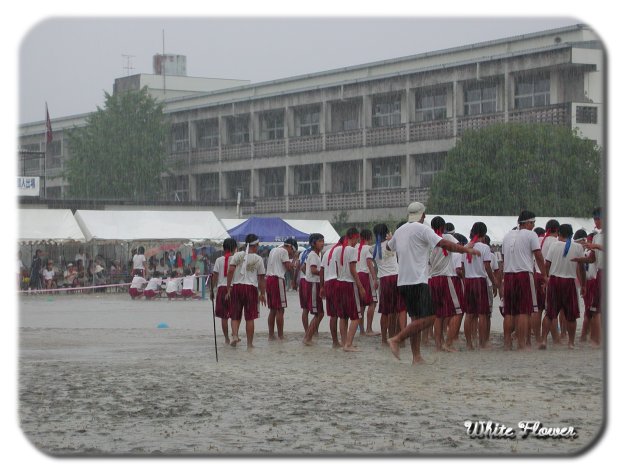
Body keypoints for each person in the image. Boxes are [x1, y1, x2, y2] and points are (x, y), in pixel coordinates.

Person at [386, 202, 480, 364]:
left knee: (416, 319)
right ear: (422, 215)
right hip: (418, 280)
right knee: (430, 318)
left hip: (403, 281)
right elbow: (444, 244)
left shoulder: (400, 231)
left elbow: (389, 247)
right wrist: (466, 249)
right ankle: (397, 339)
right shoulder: (423, 229)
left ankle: (416, 357)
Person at [501, 210, 547, 351]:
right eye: (532, 223)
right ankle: (522, 344)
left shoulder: (507, 236)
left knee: (509, 311)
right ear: (527, 223)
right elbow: (538, 256)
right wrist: (545, 274)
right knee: (523, 311)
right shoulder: (531, 235)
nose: (533, 226)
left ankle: (508, 343)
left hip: (508, 274)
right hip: (523, 275)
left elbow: (503, 258)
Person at [540, 224, 586, 349]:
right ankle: (571, 343)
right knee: (571, 315)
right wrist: (583, 285)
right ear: (571, 234)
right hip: (569, 282)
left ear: (559, 233)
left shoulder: (554, 245)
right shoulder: (577, 247)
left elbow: (547, 264)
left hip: (554, 281)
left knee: (550, 313)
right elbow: (581, 269)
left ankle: (543, 340)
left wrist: (547, 278)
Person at [427, 216, 465, 352]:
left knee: (439, 314)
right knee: (458, 311)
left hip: (433, 279)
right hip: (446, 277)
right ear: (443, 227)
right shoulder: (447, 238)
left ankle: (438, 344)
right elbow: (459, 247)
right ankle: (448, 343)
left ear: (432, 227)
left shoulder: (428, 240)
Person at [461, 222, 499, 350]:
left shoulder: (465, 247)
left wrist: (466, 279)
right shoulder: (484, 248)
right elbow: (487, 266)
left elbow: (462, 268)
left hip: (469, 281)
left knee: (469, 314)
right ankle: (482, 343)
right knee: (483, 314)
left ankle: (469, 344)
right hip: (480, 281)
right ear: (484, 234)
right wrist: (494, 282)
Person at [225, 234, 267, 349]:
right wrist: (262, 293)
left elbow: (230, 271)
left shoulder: (237, 255)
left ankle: (234, 336)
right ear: (256, 245)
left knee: (235, 315)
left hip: (237, 287)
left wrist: (228, 287)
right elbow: (261, 278)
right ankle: (249, 344)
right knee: (250, 318)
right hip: (250, 288)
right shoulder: (258, 259)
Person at [333, 227, 366, 352]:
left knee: (343, 316)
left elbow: (337, 269)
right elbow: (353, 269)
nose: (358, 241)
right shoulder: (352, 250)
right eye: (357, 238)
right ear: (354, 237)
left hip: (339, 283)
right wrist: (360, 286)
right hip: (349, 284)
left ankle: (344, 342)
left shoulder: (337, 250)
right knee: (356, 316)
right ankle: (349, 344)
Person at [373, 224, 406, 345]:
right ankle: (399, 336)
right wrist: (392, 237)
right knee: (400, 309)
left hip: (383, 280)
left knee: (386, 311)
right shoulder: (392, 244)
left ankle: (384, 339)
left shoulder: (374, 249)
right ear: (386, 232)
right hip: (396, 278)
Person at [532, 219, 560, 344]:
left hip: (537, 274)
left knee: (537, 309)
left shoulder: (539, 240)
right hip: (548, 276)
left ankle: (538, 337)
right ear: (557, 230)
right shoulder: (556, 242)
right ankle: (554, 338)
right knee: (551, 311)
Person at [265, 238, 297, 341]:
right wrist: (294, 263)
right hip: (277, 279)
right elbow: (288, 267)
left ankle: (271, 335)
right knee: (280, 309)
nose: (291, 254)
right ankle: (280, 336)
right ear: (290, 247)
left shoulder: (273, 250)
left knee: (272, 310)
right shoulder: (284, 251)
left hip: (269, 279)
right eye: (292, 251)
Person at [211, 238, 238, 344]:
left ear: (224, 248)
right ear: (235, 248)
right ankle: (234, 335)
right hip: (233, 287)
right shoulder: (237, 259)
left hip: (221, 288)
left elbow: (215, 276)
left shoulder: (218, 260)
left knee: (224, 317)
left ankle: (226, 339)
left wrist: (212, 291)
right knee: (234, 315)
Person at [302, 233, 325, 346]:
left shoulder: (317, 255)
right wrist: (324, 272)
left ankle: (308, 336)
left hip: (314, 284)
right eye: (320, 241)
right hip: (313, 285)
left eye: (323, 241)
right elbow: (313, 270)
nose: (322, 243)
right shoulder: (313, 255)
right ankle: (307, 337)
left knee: (319, 313)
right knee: (319, 313)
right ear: (313, 243)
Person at [356, 229, 379, 336]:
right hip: (366, 275)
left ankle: (361, 330)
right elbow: (369, 264)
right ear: (369, 237)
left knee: (361, 304)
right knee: (372, 302)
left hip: (358, 276)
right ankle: (369, 329)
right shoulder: (368, 248)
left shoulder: (356, 247)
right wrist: (375, 279)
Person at [322, 237, 344, 348]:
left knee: (333, 315)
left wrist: (322, 287)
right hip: (336, 282)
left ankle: (335, 341)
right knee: (342, 314)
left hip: (327, 282)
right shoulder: (341, 250)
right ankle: (344, 341)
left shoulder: (327, 252)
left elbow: (322, 270)